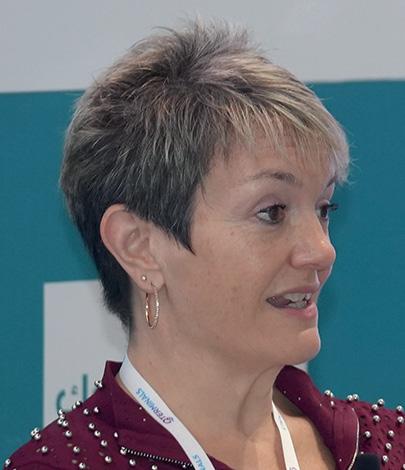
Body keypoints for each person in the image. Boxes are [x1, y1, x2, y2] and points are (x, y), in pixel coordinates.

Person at [6, 20, 405, 470]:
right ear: (139, 247)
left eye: (323, 208)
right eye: (272, 212)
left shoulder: (387, 446)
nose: (321, 250)